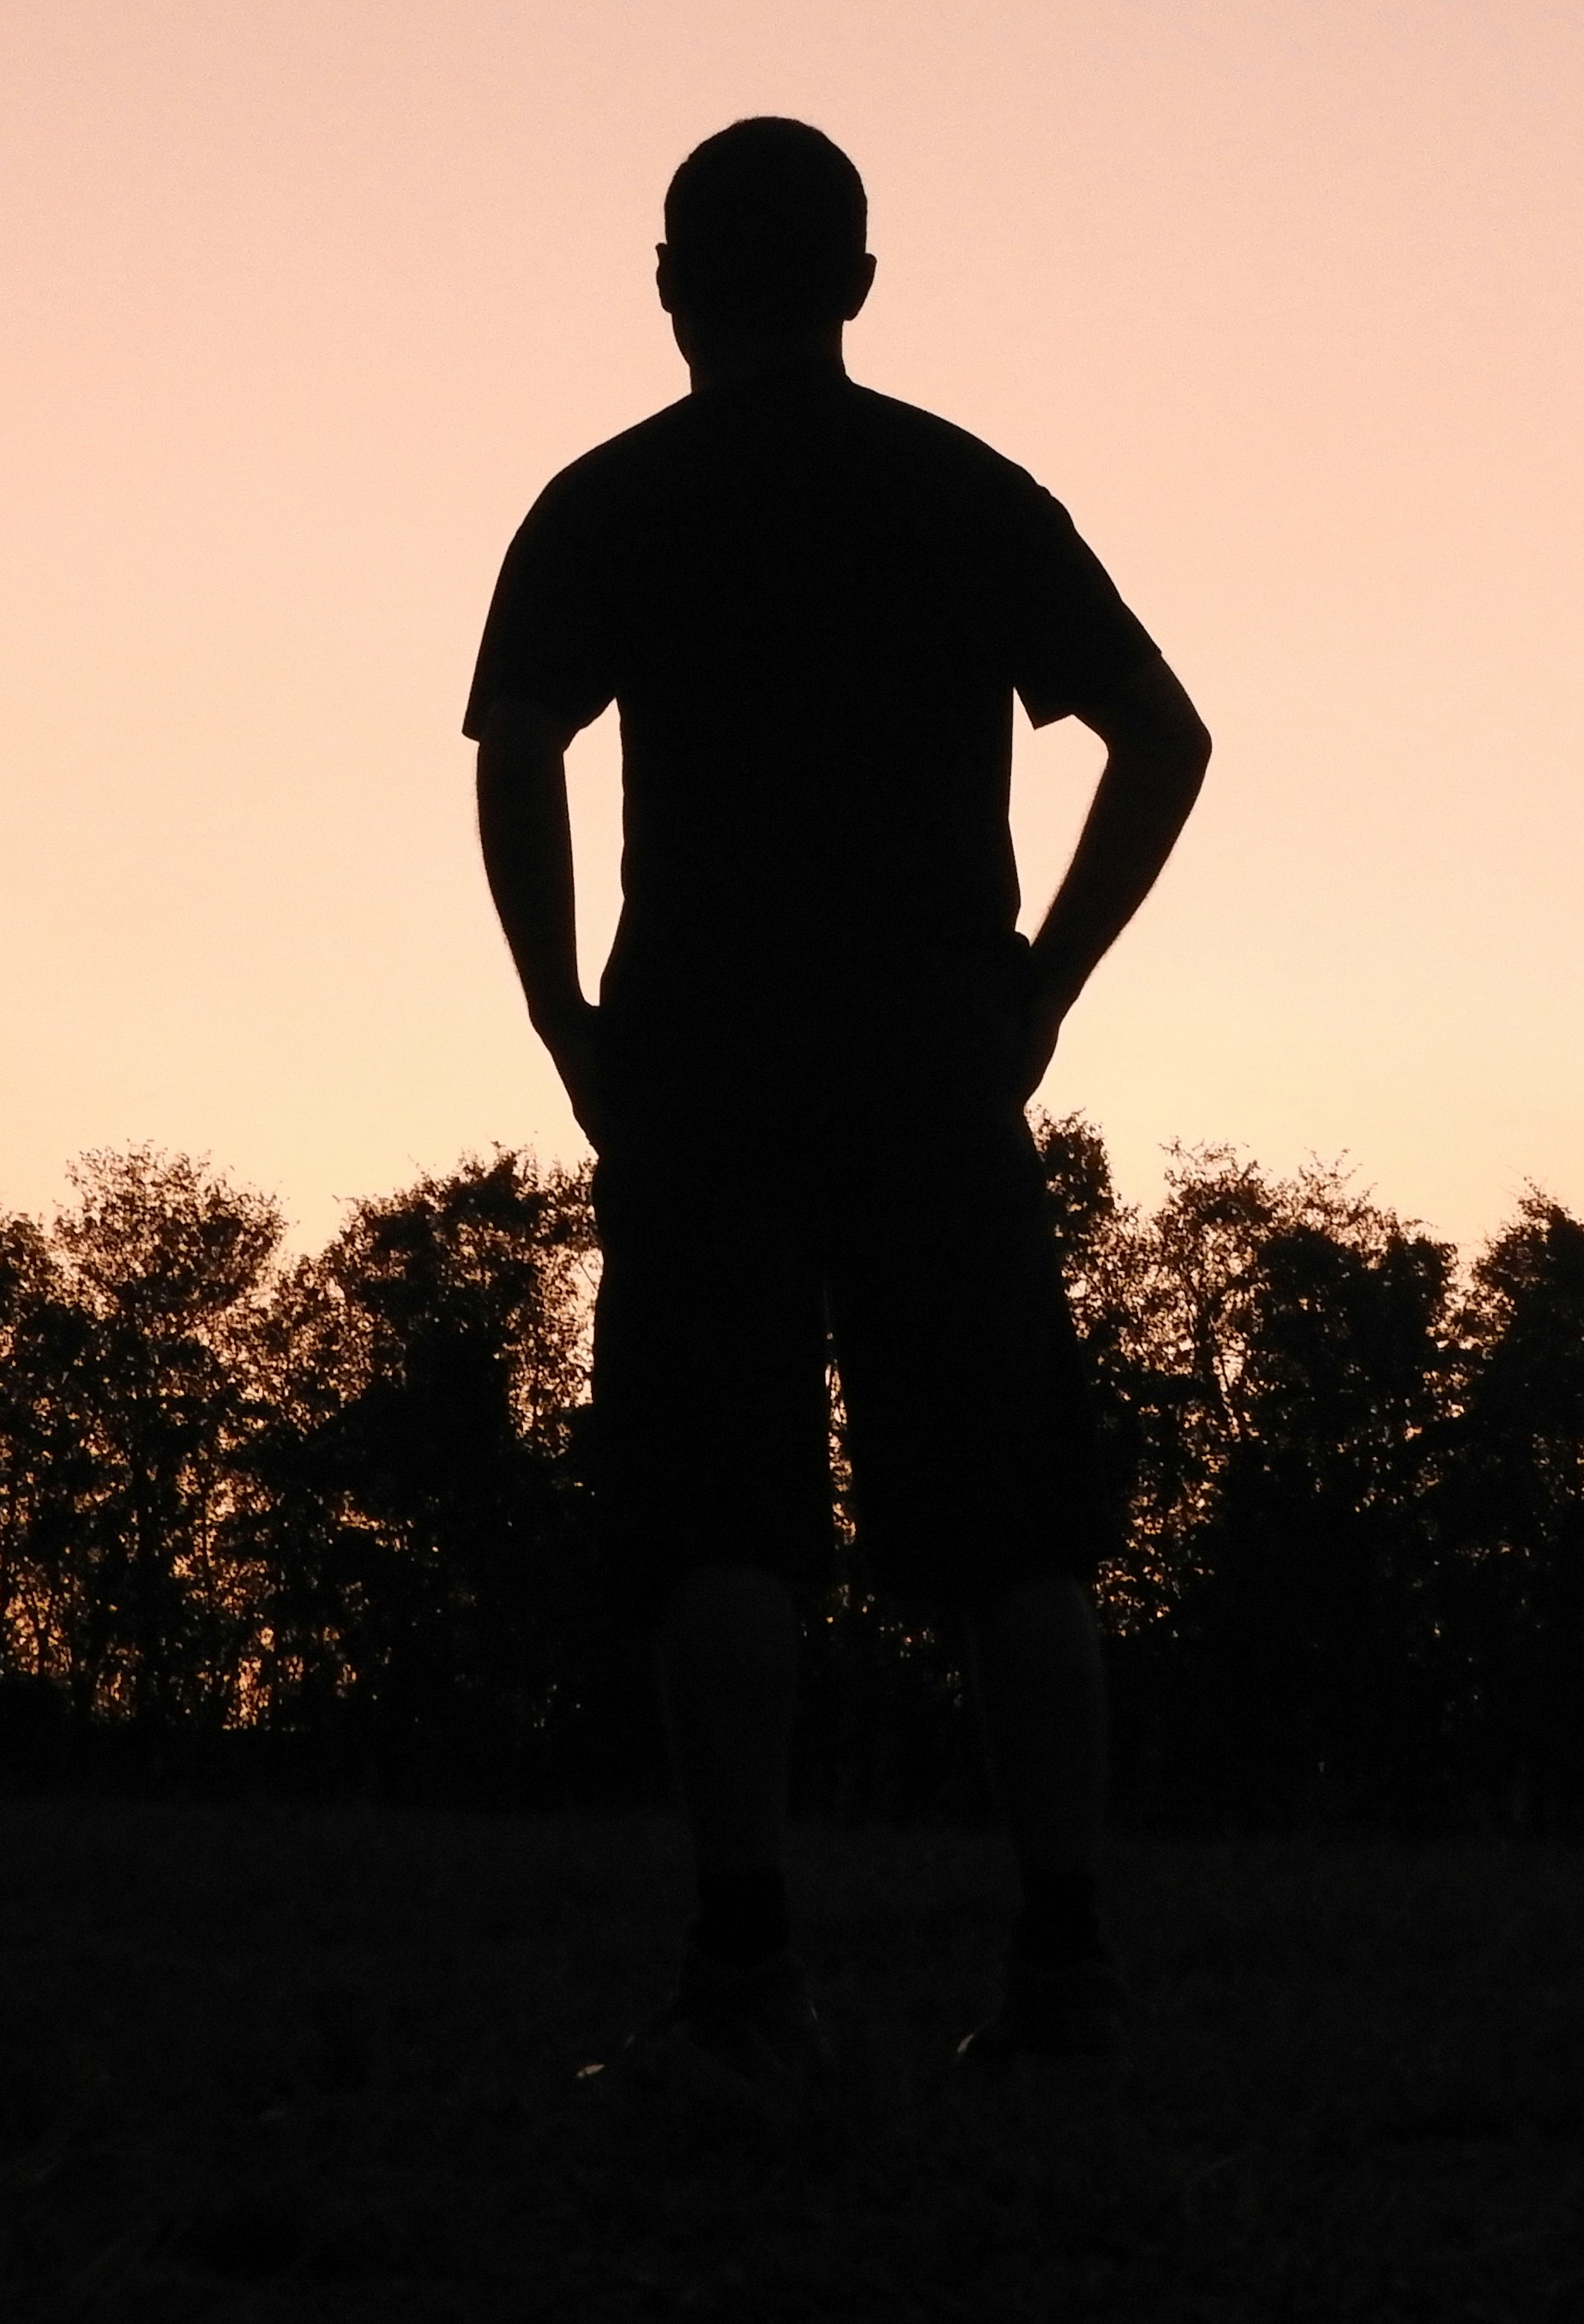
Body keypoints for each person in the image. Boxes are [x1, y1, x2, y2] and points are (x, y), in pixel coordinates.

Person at [467, 117, 1211, 2092]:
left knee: (719, 1518)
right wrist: (1037, 985)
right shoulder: (963, 490)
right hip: (928, 1058)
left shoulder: (612, 501)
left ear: (666, 280)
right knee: (1016, 1523)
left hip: (699, 1053)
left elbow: (518, 755)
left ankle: (745, 1979)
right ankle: (1066, 1975)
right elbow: (1166, 733)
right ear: (860, 284)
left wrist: (563, 1016)